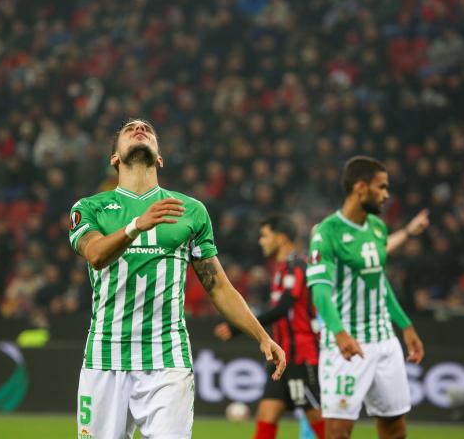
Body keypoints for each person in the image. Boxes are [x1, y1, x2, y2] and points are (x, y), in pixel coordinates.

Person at [68, 119, 286, 439]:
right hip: (104, 358)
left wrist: (261, 335)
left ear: (159, 158)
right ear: (114, 158)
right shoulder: (89, 208)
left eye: (148, 129)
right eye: (130, 129)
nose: (140, 128)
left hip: (166, 358)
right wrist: (136, 226)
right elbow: (96, 254)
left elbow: (219, 286)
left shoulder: (190, 210)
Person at [306, 156, 424, 439]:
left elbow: (379, 282)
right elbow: (319, 292)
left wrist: (405, 326)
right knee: (337, 433)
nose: (386, 195)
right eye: (381, 187)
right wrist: (339, 333)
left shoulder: (377, 227)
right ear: (360, 187)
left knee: (396, 429)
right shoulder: (326, 232)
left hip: (385, 341)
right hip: (347, 344)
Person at [214, 214, 325, 439]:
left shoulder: (298, 267)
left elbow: (283, 309)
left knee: (322, 425)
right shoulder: (282, 269)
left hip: (301, 356)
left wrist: (238, 327)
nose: (260, 241)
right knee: (266, 417)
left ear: (281, 238)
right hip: (281, 356)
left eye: (265, 236)